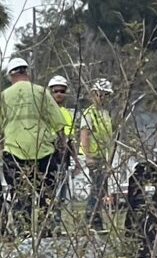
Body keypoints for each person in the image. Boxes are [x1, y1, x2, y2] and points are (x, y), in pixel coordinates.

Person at [0, 58, 66, 235]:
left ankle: (24, 235)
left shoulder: (5, 96)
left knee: (21, 198)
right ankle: (47, 234)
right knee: (46, 197)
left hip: (14, 153)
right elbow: (58, 123)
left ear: (10, 75)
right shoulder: (41, 92)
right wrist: (64, 147)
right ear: (27, 72)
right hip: (43, 153)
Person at [80, 78, 114, 231]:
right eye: (100, 94)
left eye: (105, 95)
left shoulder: (106, 114)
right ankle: (92, 216)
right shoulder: (89, 113)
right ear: (93, 95)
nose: (102, 98)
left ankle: (96, 214)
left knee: (102, 188)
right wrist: (88, 155)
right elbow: (85, 135)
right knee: (97, 187)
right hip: (93, 156)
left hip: (103, 156)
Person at [47, 76, 76, 206]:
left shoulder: (67, 114)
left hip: (64, 155)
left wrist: (76, 160)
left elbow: (71, 138)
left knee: (62, 191)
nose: (59, 94)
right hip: (49, 154)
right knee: (50, 189)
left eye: (62, 91)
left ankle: (57, 220)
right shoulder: (45, 111)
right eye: (56, 91)